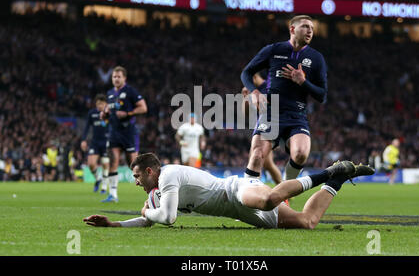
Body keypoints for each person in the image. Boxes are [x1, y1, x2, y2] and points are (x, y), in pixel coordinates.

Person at [83, 153, 374, 229]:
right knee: (307, 223)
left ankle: (329, 171)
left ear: (150, 171)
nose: (135, 182)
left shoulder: (168, 174)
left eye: (136, 176)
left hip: (234, 190)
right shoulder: (155, 195)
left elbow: (167, 218)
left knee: (270, 200)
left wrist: (149, 211)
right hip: (238, 213)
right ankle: (337, 180)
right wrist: (115, 224)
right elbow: (150, 218)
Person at [240, 15, 327, 183]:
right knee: (257, 155)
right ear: (292, 29)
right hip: (271, 113)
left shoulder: (316, 58)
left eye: (312, 28)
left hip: (296, 115)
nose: (310, 31)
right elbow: (246, 73)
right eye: (305, 26)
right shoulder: (274, 50)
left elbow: (321, 95)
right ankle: (246, 196)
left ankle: (285, 188)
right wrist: (254, 92)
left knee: (301, 154)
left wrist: (303, 82)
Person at [100, 66, 147, 202]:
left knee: (133, 164)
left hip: (128, 132)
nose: (116, 79)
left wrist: (128, 113)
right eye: (114, 77)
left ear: (124, 78)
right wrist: (105, 114)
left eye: (119, 77)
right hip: (114, 132)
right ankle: (113, 195)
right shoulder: (109, 94)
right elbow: (109, 111)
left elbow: (143, 107)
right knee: (113, 161)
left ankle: (151, 189)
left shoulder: (130, 91)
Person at [241, 73, 282, 184]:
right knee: (267, 164)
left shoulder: (268, 87)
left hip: (269, 126)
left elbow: (268, 111)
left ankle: (253, 190)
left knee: (254, 158)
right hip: (261, 128)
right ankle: (285, 193)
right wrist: (245, 98)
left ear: (254, 77)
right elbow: (246, 114)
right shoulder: (253, 90)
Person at [81, 94, 110, 193]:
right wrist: (83, 140)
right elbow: (86, 127)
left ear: (106, 104)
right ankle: (98, 179)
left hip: (106, 142)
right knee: (91, 164)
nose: (99, 106)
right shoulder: (92, 113)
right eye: (98, 104)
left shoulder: (109, 114)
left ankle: (104, 187)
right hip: (95, 142)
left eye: (101, 104)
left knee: (105, 164)